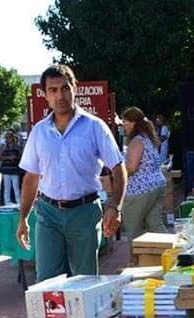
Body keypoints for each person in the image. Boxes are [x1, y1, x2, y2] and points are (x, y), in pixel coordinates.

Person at [17, 64, 126, 281]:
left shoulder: (94, 127)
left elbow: (118, 167)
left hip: (84, 212)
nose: (60, 96)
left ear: (75, 88)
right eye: (53, 90)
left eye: (65, 88)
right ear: (45, 95)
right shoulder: (39, 131)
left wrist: (115, 205)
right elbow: (31, 177)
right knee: (46, 283)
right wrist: (23, 218)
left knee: (84, 282)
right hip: (48, 214)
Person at [121, 107, 167, 249]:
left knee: (133, 231)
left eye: (126, 121)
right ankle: (173, 253)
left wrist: (118, 174)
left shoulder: (136, 141)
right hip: (156, 186)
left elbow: (131, 168)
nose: (123, 124)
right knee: (156, 226)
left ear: (134, 122)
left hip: (139, 190)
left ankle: (135, 259)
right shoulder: (148, 139)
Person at [0, 130, 22, 205]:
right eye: (6, 137)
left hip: (14, 170)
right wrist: (8, 157)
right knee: (7, 187)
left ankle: (18, 203)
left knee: (16, 187)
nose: (7, 139)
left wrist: (15, 158)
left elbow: (21, 157)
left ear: (12, 137)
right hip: (6, 169)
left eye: (9, 137)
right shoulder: (4, 147)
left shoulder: (18, 147)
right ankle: (7, 202)